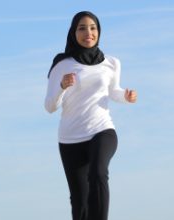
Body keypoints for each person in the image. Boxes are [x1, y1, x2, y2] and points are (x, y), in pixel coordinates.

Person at [44, 11, 137, 220]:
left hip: (102, 130)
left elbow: (113, 91)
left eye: (93, 28)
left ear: (99, 31)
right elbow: (50, 106)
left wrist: (126, 96)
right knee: (80, 203)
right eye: (82, 28)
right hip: (70, 139)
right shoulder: (62, 64)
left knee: (98, 172)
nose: (89, 32)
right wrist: (61, 86)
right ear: (73, 32)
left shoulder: (111, 63)